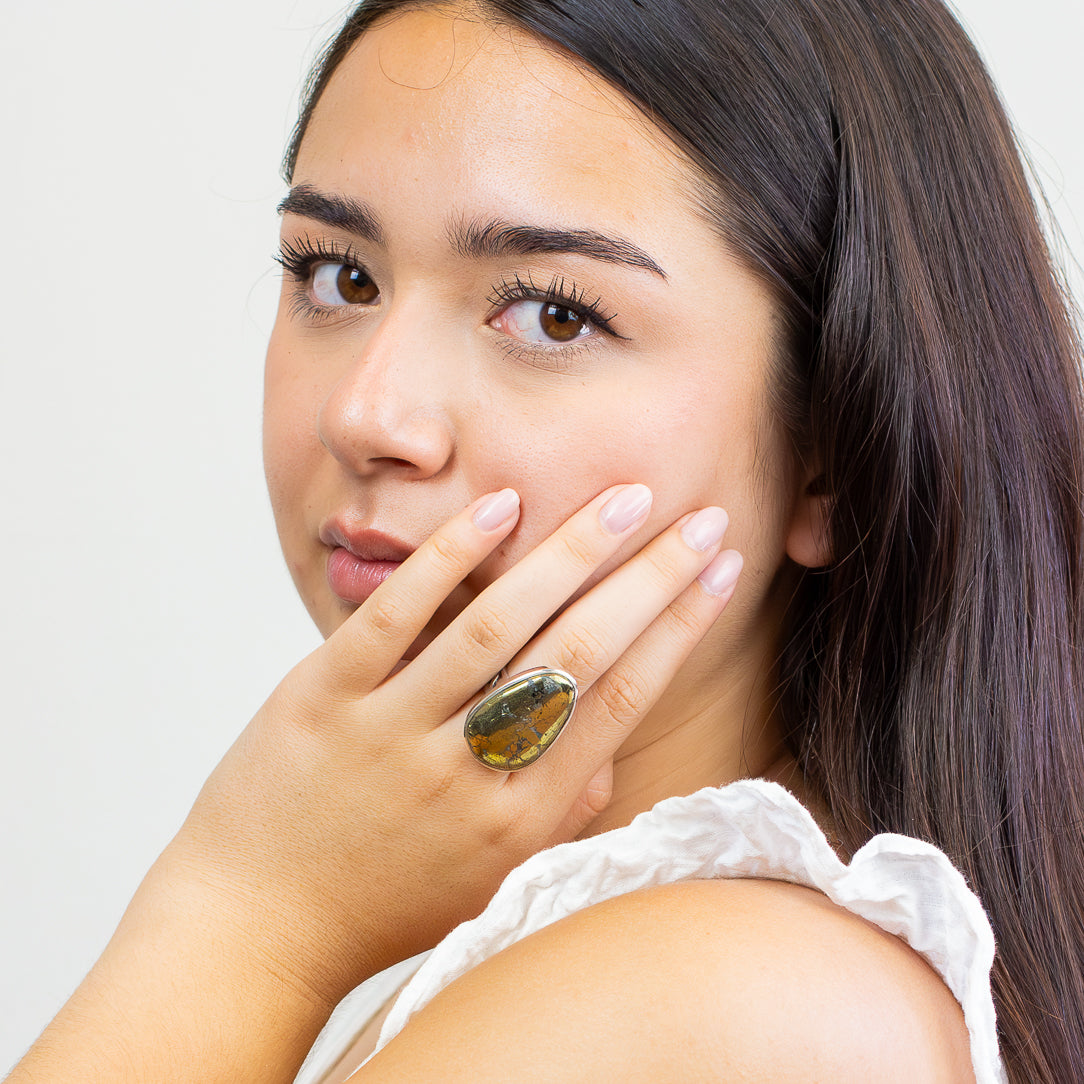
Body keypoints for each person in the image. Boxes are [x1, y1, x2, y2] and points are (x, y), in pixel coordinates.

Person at [7, 0, 1083, 1081]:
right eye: (339, 276)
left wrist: (248, 912)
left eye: (552, 314)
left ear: (835, 454)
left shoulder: (725, 1004)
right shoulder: (622, 950)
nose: (367, 415)